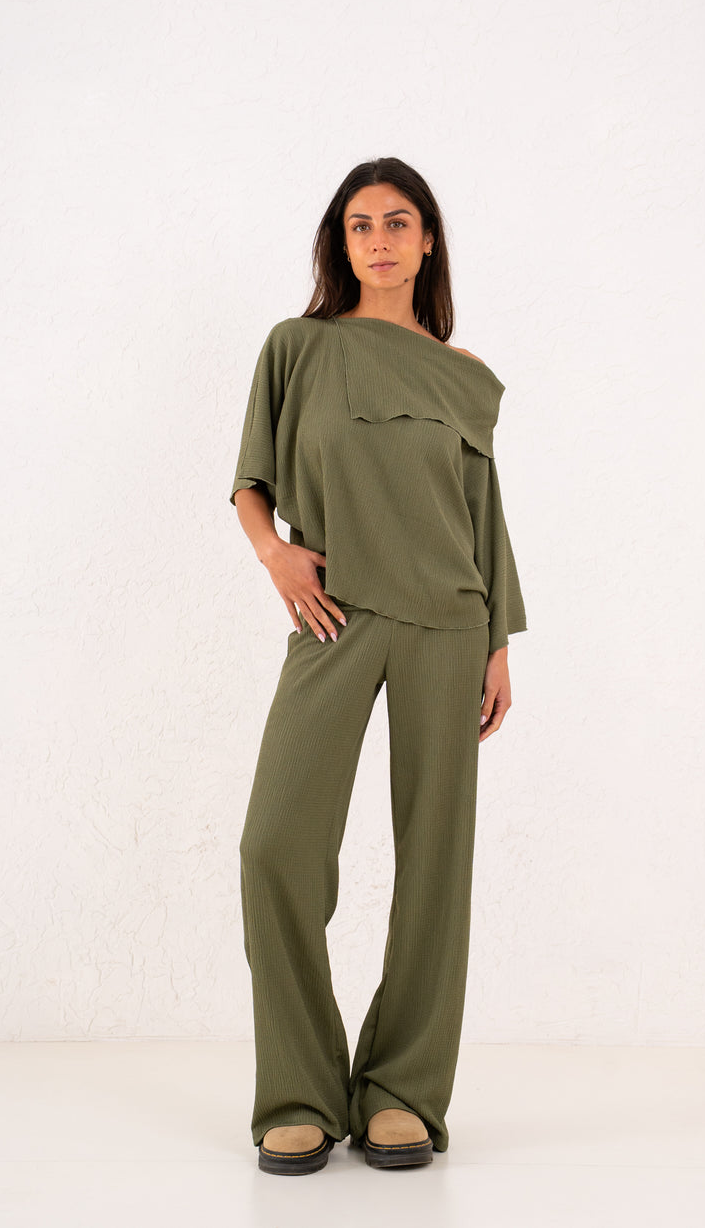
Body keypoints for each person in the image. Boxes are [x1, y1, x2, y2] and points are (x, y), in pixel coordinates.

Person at [230, 156, 527, 1175]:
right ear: (341, 243)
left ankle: (402, 1090)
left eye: (399, 222)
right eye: (360, 225)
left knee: (435, 859)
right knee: (275, 845)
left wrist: (497, 640)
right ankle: (300, 1089)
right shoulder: (298, 346)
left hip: (449, 622)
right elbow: (251, 481)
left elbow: (482, 512)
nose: (380, 240)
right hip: (335, 616)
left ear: (428, 240)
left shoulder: (460, 372)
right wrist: (274, 555)